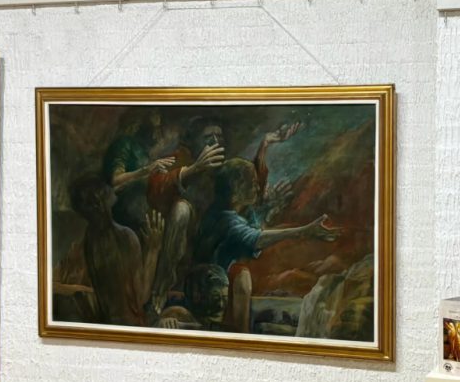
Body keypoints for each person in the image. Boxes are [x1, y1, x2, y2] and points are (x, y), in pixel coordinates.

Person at [145, 117, 298, 315]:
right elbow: (155, 188)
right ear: (195, 142)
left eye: (219, 136)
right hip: (183, 241)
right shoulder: (183, 158)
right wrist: (195, 168)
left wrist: (265, 144)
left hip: (211, 242)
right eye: (208, 137)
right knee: (181, 210)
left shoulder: (223, 165)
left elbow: (244, 185)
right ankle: (160, 290)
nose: (216, 142)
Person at [194, 158, 338, 333]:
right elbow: (256, 238)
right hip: (211, 295)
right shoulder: (224, 220)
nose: (257, 188)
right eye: (252, 183)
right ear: (237, 188)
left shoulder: (241, 211)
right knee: (241, 274)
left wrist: (270, 206)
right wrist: (305, 231)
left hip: (227, 289)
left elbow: (255, 228)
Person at [70, 173, 164, 327]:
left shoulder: (90, 237)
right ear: (100, 201)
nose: (110, 188)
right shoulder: (125, 237)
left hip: (107, 323)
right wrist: (154, 249)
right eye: (104, 188)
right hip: (132, 325)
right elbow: (141, 297)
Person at [101, 109, 176, 232]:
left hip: (140, 209)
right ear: (140, 126)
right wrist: (147, 170)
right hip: (124, 211)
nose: (156, 135)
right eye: (153, 129)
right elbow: (116, 180)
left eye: (159, 129)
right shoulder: (124, 143)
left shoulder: (143, 150)